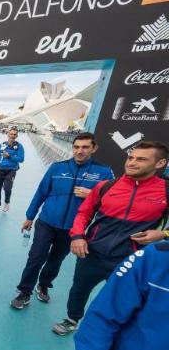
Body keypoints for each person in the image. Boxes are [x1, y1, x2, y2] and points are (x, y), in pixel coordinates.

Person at [52, 141, 169, 336]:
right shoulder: (106, 187)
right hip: (92, 253)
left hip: (131, 258)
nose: (132, 163)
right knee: (79, 289)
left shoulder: (165, 191)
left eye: (141, 159)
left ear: (160, 163)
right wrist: (78, 237)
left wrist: (163, 234)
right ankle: (72, 318)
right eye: (131, 157)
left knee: (124, 298)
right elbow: (83, 214)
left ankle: (115, 331)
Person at [10, 133, 114, 309]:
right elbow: (41, 192)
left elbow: (113, 200)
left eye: (85, 147)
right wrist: (30, 216)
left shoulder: (103, 172)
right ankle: (24, 291)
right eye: (76, 147)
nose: (80, 151)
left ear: (94, 148)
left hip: (73, 228)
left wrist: (92, 195)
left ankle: (44, 284)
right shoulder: (57, 168)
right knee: (36, 256)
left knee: (56, 259)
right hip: (47, 222)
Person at [74, 241, 169, 350]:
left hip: (121, 253)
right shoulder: (154, 258)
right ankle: (73, 317)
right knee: (80, 288)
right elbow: (103, 315)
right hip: (99, 251)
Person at [0, 128, 25, 213]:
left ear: (17, 135)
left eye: (14, 134)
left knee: (7, 188)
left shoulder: (19, 146)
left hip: (11, 170)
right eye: (11, 134)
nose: (12, 136)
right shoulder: (2, 145)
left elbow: (21, 159)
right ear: (8, 134)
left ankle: (7, 202)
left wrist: (9, 156)